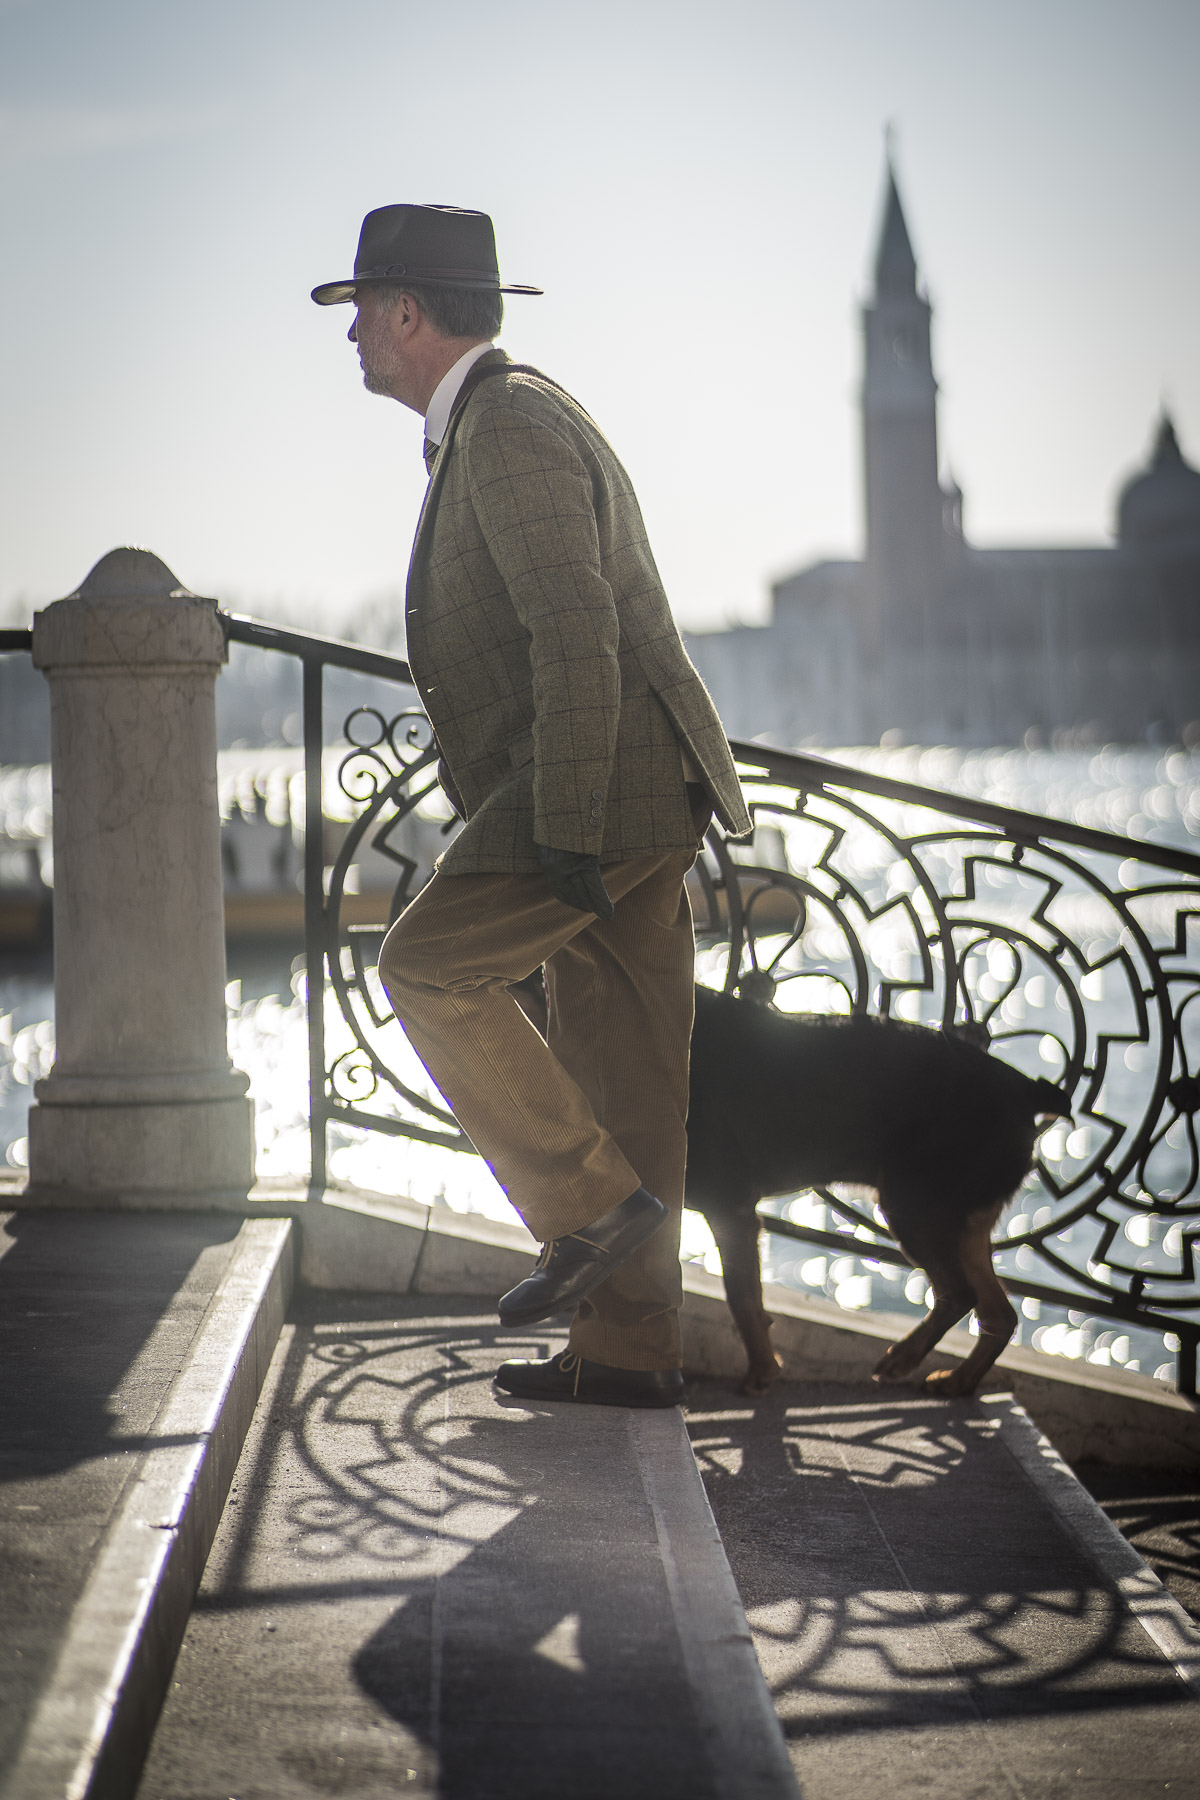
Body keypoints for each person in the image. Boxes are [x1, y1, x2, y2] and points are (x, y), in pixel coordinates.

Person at [312, 204, 751, 1407]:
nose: (349, 334)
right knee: (629, 1077)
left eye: (357, 308)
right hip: (631, 787)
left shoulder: (505, 428)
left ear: (407, 312)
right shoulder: (505, 420)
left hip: (593, 792)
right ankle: (628, 1356)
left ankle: (589, 1208)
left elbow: (575, 633)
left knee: (427, 967)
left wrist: (560, 828)